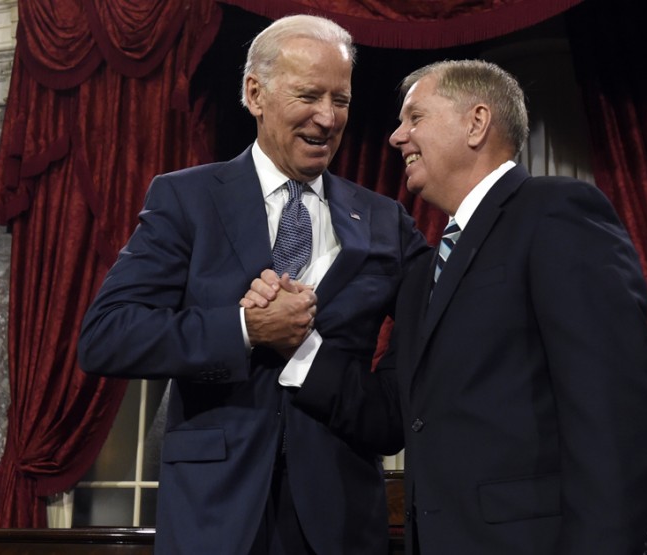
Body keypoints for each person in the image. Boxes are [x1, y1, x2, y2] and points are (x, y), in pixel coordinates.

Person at [249, 59, 647, 554]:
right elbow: (390, 416)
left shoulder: (556, 212)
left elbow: (614, 410)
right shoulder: (424, 269)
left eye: (414, 118)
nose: (396, 137)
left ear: (476, 122)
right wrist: (300, 345)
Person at [76, 14, 428, 555]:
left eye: (342, 100)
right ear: (255, 93)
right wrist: (244, 326)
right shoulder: (186, 200)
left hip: (340, 514)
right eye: (309, 95)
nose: (328, 118)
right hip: (215, 514)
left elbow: (428, 336)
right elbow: (107, 335)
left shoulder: (386, 221)